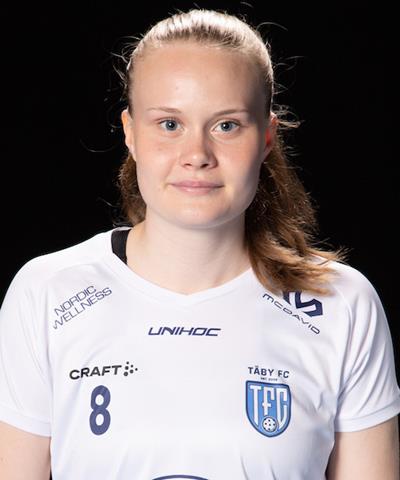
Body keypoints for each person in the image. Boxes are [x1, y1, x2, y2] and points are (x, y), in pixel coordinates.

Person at [0, 8, 399, 480]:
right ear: (130, 132)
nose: (197, 155)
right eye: (170, 124)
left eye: (226, 125)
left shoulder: (340, 304)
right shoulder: (49, 294)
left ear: (266, 137)